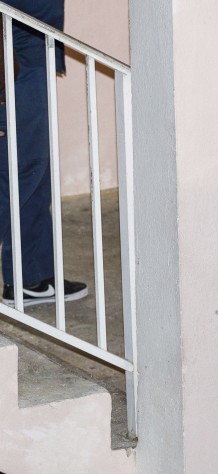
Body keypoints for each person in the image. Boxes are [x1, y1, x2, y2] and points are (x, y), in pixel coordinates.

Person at [1, 0, 88, 307]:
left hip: (23, 60)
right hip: (19, 64)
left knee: (26, 174)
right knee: (28, 173)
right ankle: (29, 279)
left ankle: (32, 276)